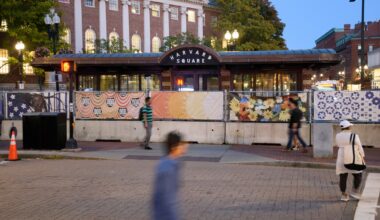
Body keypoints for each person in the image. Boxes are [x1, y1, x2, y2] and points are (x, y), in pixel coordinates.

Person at [152, 132, 188, 220]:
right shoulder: (167, 168)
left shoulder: (171, 164)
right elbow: (165, 199)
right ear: (173, 147)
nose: (185, 146)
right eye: (181, 144)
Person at [336, 120, 365, 201]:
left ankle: (344, 195)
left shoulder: (338, 135)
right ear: (349, 127)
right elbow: (359, 147)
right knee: (358, 174)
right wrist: (362, 156)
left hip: (342, 156)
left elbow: (338, 144)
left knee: (343, 176)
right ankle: (354, 192)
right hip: (353, 156)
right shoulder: (354, 135)